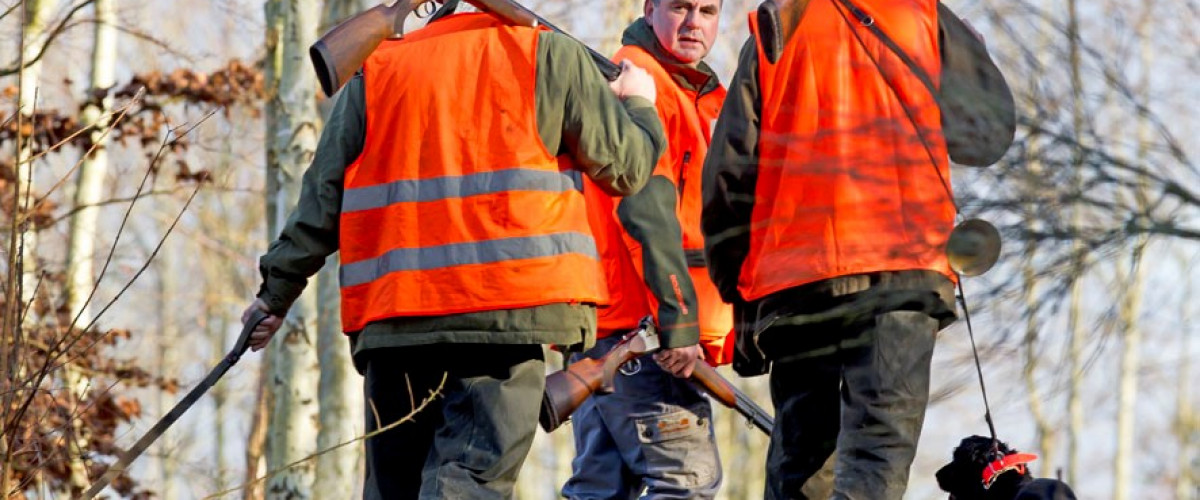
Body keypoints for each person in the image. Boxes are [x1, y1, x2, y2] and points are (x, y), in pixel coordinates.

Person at [240, 9, 667, 499]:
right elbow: (629, 169)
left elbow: (320, 201)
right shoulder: (547, 55)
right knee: (468, 485)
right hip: (502, 319)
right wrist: (639, 103)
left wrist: (276, 294)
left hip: (395, 324)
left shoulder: (378, 67)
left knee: (394, 490)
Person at [701, 0, 989, 498]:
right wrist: (973, 59)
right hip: (903, 274)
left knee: (801, 466)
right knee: (875, 458)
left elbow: (729, 174)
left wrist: (736, 287)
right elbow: (984, 136)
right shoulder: (925, 16)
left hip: (795, 286)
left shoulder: (776, 25)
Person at [560, 0, 731, 498]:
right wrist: (677, 318)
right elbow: (644, 211)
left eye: (707, 10)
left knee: (600, 487)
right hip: (647, 330)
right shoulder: (639, 85)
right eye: (680, 7)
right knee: (686, 481)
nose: (694, 22)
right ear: (650, 9)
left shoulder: (697, 95)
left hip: (613, 329)